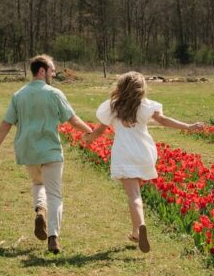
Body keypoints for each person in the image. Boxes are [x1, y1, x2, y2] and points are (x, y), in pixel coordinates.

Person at [81, 70, 204, 253]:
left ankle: (139, 229)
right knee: (136, 193)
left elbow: (99, 130)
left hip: (125, 153)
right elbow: (163, 120)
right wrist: (188, 126)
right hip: (144, 152)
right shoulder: (146, 106)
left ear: (120, 87)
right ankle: (135, 231)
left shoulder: (113, 107)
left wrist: (88, 138)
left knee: (133, 195)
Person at [0, 53, 93, 255]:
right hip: (50, 150)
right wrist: (91, 133)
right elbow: (73, 119)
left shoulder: (18, 95)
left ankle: (40, 210)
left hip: (28, 151)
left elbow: (6, 123)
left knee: (38, 184)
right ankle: (53, 237)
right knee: (55, 194)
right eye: (52, 70)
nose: (54, 73)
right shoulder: (54, 93)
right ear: (42, 71)